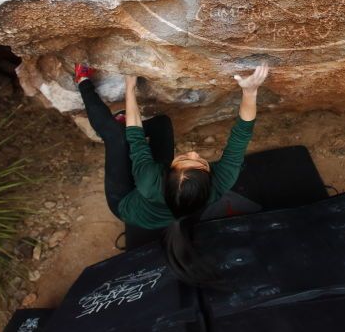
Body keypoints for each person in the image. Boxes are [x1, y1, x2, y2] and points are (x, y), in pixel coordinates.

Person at [75, 62, 269, 283]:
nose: (194, 153)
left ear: (167, 171)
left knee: (116, 137)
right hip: (161, 197)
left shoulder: (149, 178)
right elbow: (241, 135)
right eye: (199, 162)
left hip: (126, 201)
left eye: (186, 159)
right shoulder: (220, 181)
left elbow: (135, 134)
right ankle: (122, 121)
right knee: (162, 125)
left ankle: (82, 81)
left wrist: (130, 87)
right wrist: (250, 90)